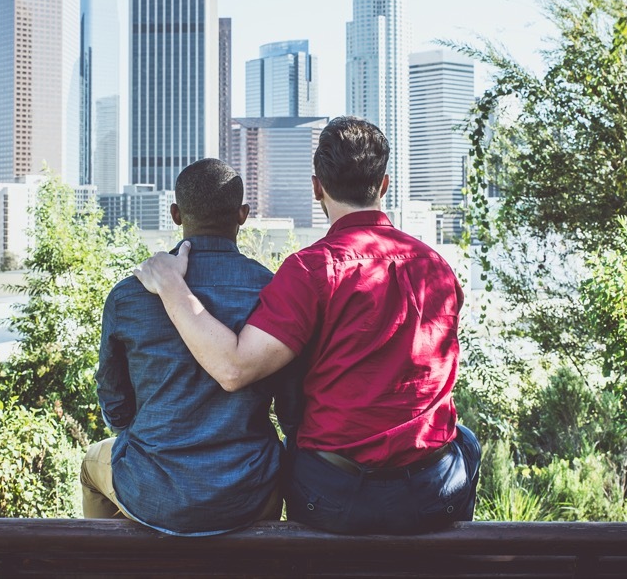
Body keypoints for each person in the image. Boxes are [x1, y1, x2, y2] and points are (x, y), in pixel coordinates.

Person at [133, 116, 481, 534]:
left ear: (318, 187)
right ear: (384, 185)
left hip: (337, 498)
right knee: (466, 442)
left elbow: (233, 368)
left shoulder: (313, 270)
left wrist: (172, 286)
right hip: (434, 492)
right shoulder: (437, 268)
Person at [80, 158, 285, 535]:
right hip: (248, 493)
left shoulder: (130, 295)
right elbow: (290, 400)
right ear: (243, 215)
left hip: (152, 490)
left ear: (176, 213)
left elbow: (113, 398)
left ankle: (101, 559)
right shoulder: (274, 292)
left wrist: (145, 436)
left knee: (91, 464)